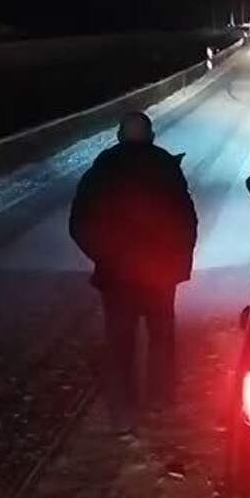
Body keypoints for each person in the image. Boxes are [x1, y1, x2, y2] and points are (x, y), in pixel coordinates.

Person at [69, 111, 197, 429]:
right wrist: (177, 261)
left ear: (119, 136)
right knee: (162, 336)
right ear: (151, 136)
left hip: (118, 275)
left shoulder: (102, 170)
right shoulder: (166, 167)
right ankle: (162, 399)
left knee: (120, 342)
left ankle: (125, 408)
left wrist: (103, 256)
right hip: (160, 273)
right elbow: (186, 220)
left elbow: (79, 222)